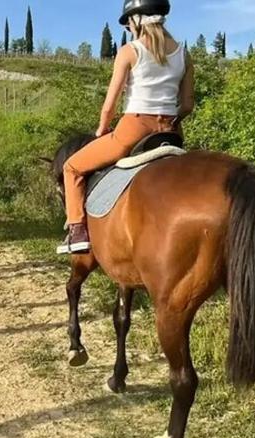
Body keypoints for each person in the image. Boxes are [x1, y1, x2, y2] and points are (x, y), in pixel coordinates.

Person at [57, 0, 195, 254]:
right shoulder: (183, 55)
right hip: (171, 132)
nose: (129, 27)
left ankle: (77, 231)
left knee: (72, 167)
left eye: (129, 22)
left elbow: (109, 106)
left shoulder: (129, 51)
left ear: (138, 20)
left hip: (134, 129)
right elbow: (187, 105)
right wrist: (172, 120)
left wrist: (102, 129)